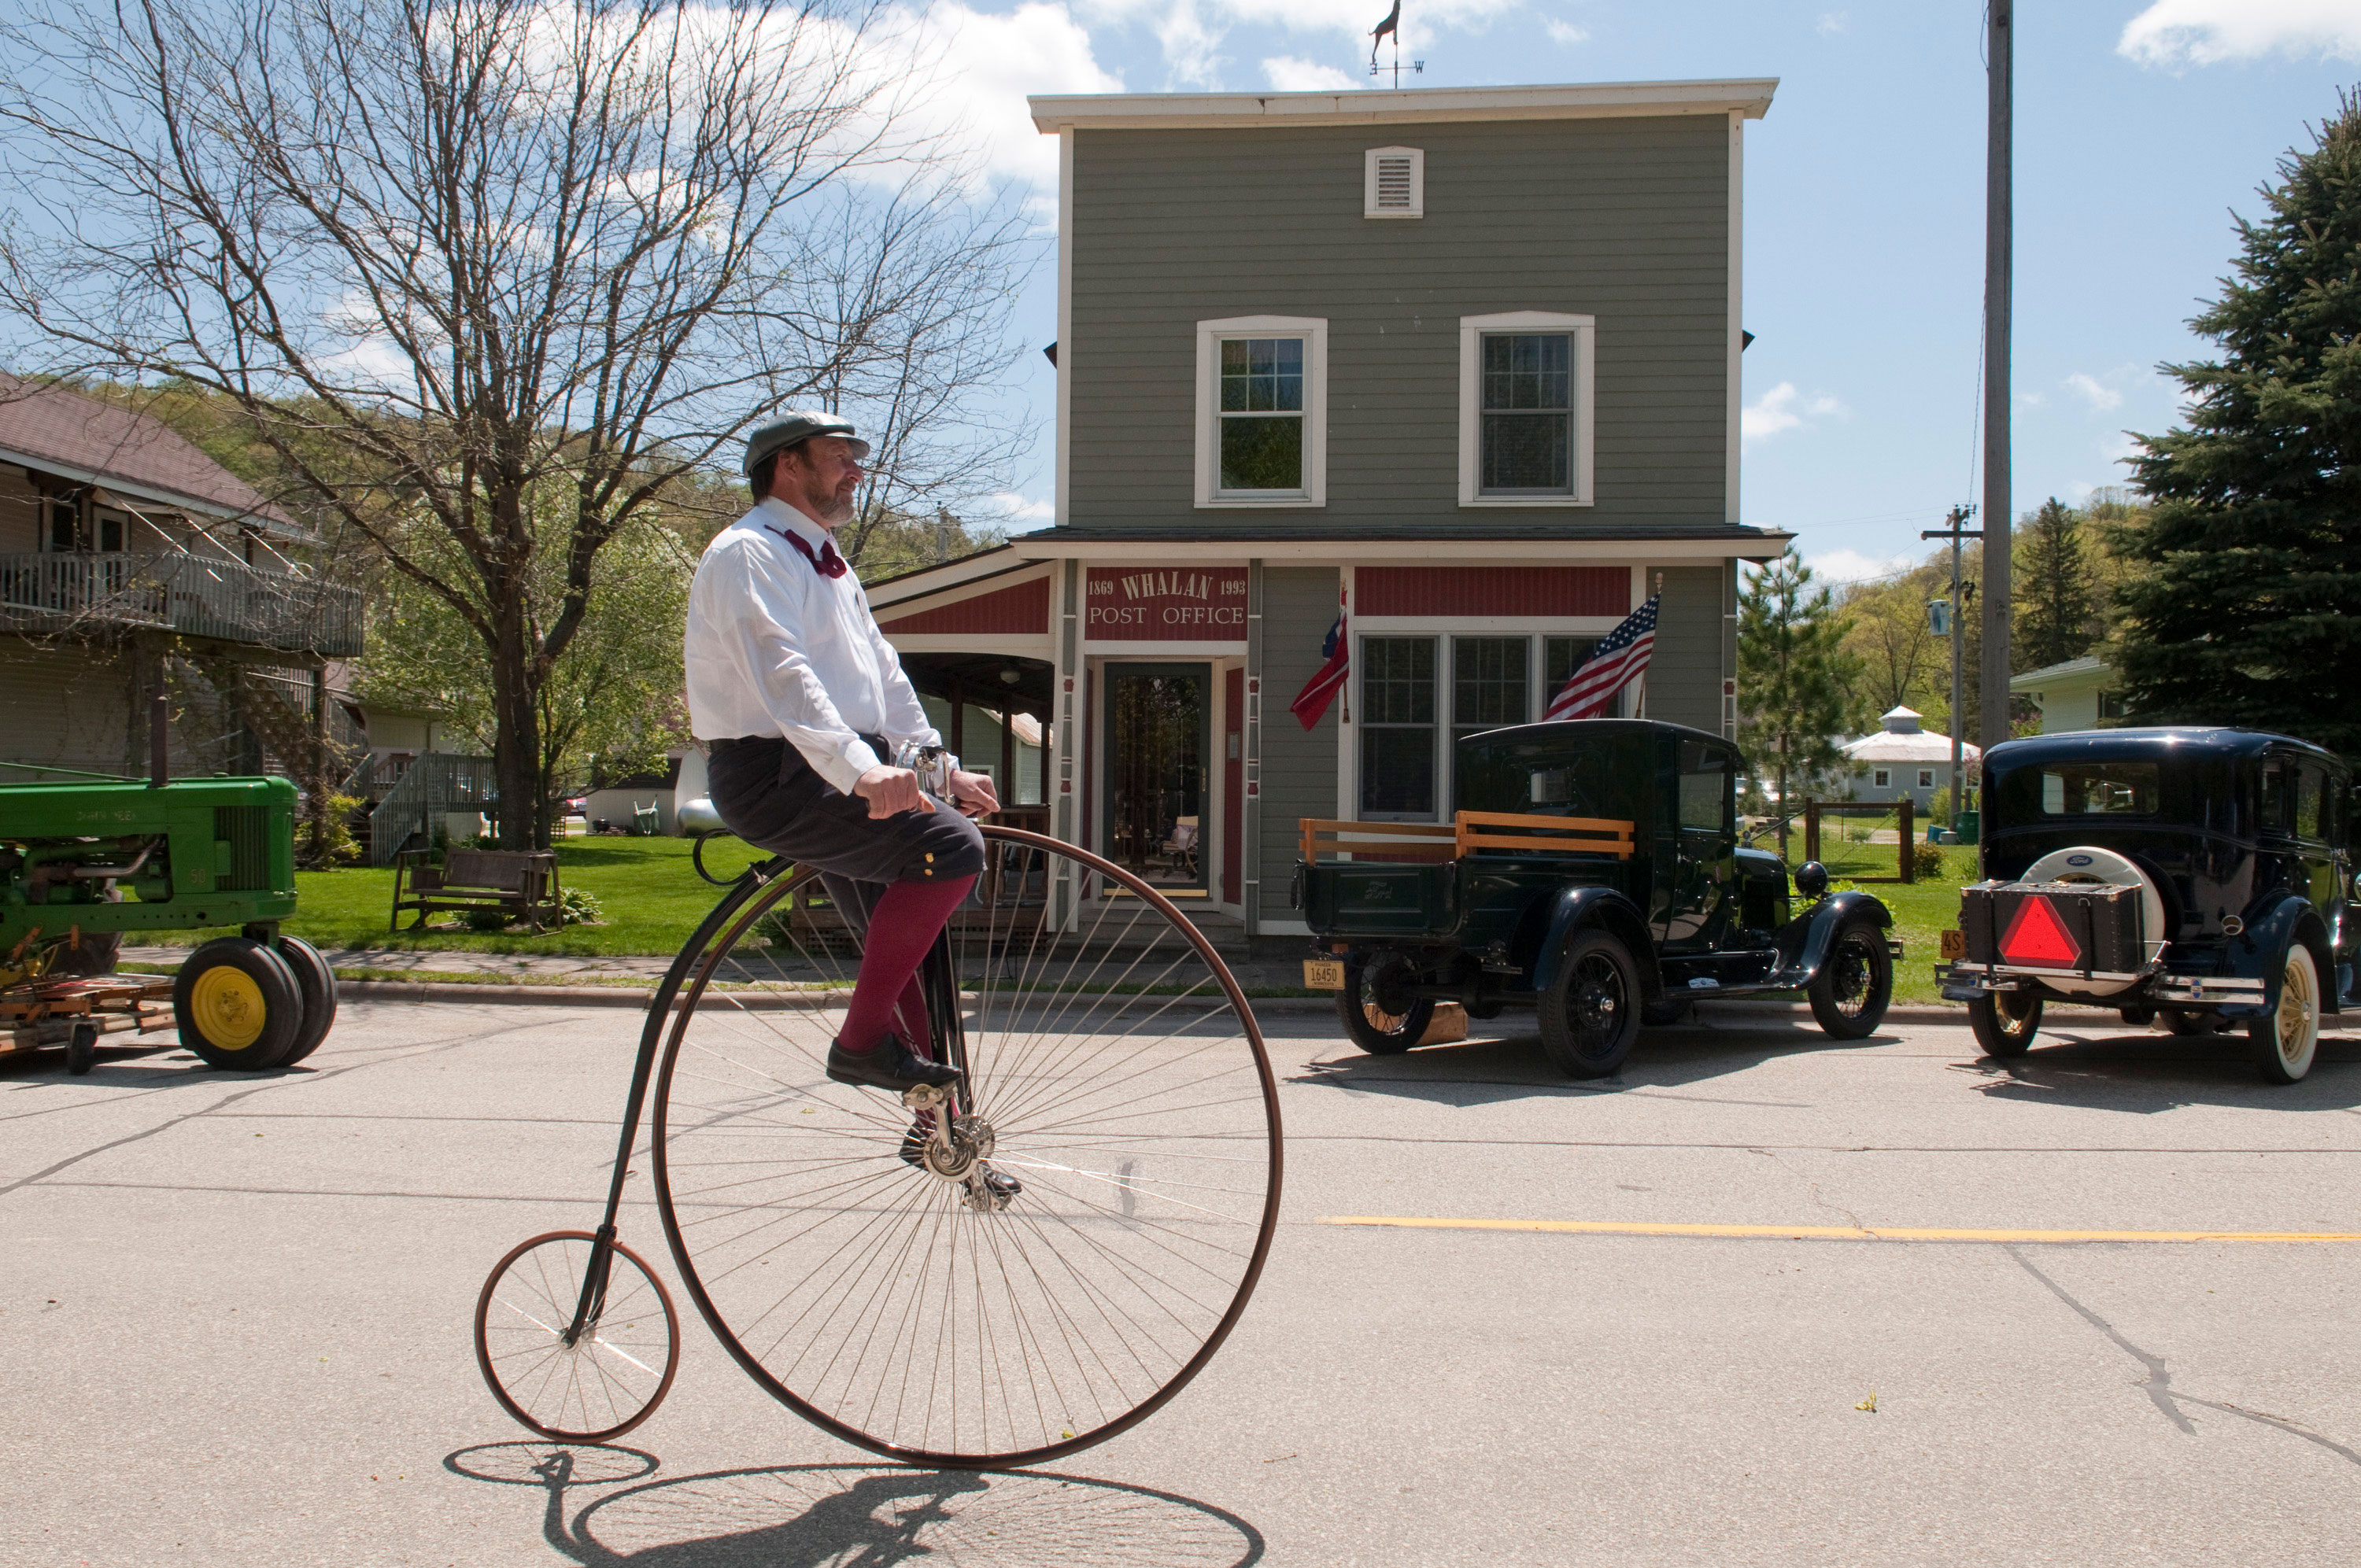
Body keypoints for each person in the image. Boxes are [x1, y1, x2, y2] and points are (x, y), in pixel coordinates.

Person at [684, 410, 1000, 1123]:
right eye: (840, 456)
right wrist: (860, 770)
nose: (856, 469)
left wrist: (938, 771)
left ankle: (942, 1131)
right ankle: (859, 1042)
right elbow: (784, 676)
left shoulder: (828, 561)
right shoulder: (748, 554)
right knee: (953, 848)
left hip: (832, 768)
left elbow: (884, 680)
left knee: (908, 963)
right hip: (779, 773)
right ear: (787, 465)